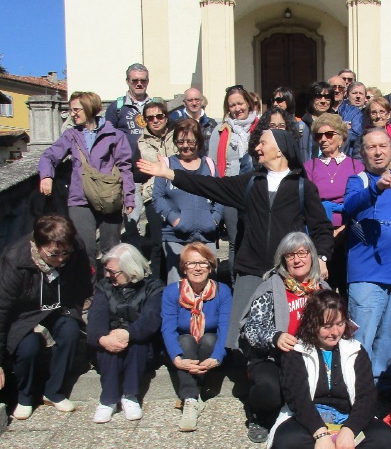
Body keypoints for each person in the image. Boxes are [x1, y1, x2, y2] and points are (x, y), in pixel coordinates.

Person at [137, 128, 333, 356]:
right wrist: (171, 174)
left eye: (263, 143)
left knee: (284, 329)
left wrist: (321, 257)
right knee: (246, 331)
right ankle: (252, 373)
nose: (257, 148)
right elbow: (209, 185)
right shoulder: (250, 183)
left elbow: (321, 228)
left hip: (287, 272)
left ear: (279, 150)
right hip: (251, 268)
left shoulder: (302, 187)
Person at [269, 290, 391, 449]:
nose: (334, 332)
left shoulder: (355, 350)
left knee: (385, 439)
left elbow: (367, 397)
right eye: (327, 326)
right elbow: (298, 399)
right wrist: (321, 435)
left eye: (339, 324)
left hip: (347, 417)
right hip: (310, 419)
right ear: (313, 323)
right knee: (286, 442)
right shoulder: (296, 352)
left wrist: (349, 430)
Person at [0, 215, 92, 420]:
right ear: (38, 246)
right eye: (54, 254)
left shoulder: (75, 247)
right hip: (22, 312)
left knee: (70, 332)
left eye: (65, 253)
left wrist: (73, 308)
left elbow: (83, 280)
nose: (61, 259)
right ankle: (25, 395)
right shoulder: (15, 259)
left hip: (59, 304)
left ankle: (54, 391)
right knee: (28, 347)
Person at [344, 129, 391, 394]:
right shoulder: (359, 180)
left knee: (390, 336)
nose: (378, 152)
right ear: (363, 153)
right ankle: (357, 389)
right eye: (371, 147)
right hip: (367, 273)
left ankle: (383, 387)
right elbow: (350, 206)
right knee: (362, 336)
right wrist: (376, 188)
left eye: (383, 146)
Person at [240, 233, 329, 442]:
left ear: (312, 256)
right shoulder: (270, 288)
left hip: (310, 358)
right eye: (290, 255)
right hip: (272, 358)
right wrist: (275, 336)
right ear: (283, 260)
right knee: (269, 390)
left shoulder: (323, 290)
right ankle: (259, 416)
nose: (297, 260)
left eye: (302, 253)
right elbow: (251, 328)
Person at [38, 91, 135, 279]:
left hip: (109, 197)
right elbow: (49, 156)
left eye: (76, 109)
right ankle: (87, 292)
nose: (72, 114)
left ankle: (111, 289)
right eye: (71, 110)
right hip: (80, 198)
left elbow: (125, 168)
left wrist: (129, 196)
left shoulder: (114, 135)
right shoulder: (71, 135)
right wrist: (46, 176)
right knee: (83, 248)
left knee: (111, 249)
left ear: (90, 109)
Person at [87, 244, 165, 423]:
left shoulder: (154, 286)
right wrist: (103, 338)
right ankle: (108, 400)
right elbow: (96, 316)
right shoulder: (104, 287)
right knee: (109, 344)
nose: (107, 275)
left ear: (130, 269)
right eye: (106, 270)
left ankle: (130, 396)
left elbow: (151, 319)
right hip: (111, 340)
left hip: (143, 345)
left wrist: (128, 333)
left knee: (137, 341)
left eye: (113, 271)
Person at [161, 242, 232, 431]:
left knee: (209, 338)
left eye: (203, 263)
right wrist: (176, 359)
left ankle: (196, 388)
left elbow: (225, 327)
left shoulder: (222, 291)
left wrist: (217, 357)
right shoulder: (171, 292)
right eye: (191, 263)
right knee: (185, 340)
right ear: (184, 268)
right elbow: (168, 328)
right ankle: (191, 399)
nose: (198, 268)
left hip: (210, 348)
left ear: (211, 267)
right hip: (184, 349)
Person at [152, 119, 223, 283]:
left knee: (209, 283)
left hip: (206, 235)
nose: (185, 146)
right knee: (177, 285)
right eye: (180, 141)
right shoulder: (167, 165)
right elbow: (158, 197)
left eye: (190, 141)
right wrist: (175, 220)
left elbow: (220, 195)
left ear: (198, 140)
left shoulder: (209, 165)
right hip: (176, 237)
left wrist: (214, 219)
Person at [304, 113, 364, 294]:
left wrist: (343, 229)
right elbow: (307, 203)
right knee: (321, 289)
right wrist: (326, 232)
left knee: (347, 288)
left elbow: (360, 203)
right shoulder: (310, 166)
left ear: (341, 138)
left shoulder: (356, 166)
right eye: (318, 135)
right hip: (319, 234)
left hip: (349, 233)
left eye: (329, 134)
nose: (323, 139)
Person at [207, 85, 258, 275]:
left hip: (257, 190)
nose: (237, 109)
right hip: (230, 191)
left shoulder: (261, 128)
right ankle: (237, 285)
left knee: (256, 237)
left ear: (249, 103)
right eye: (232, 105)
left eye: (240, 103)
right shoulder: (220, 132)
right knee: (235, 239)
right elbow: (212, 164)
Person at [104, 63, 151, 248]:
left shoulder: (155, 105)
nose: (139, 84)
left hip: (152, 171)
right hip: (128, 172)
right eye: (135, 80)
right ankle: (134, 261)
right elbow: (107, 138)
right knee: (132, 219)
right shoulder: (117, 107)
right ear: (128, 82)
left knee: (157, 219)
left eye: (143, 80)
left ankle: (155, 263)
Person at [137, 100, 176, 281]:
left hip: (177, 191)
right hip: (152, 194)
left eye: (159, 116)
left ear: (166, 118)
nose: (155, 120)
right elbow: (146, 167)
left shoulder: (178, 134)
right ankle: (157, 285)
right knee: (157, 242)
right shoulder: (141, 142)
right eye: (150, 118)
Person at [168, 87, 218, 152]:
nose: (194, 103)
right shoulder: (175, 122)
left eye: (197, 99)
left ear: (201, 101)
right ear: (184, 102)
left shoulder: (211, 124)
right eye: (190, 100)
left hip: (205, 161)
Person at [299, 81, 335, 162]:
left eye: (327, 97)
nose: (323, 101)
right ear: (311, 100)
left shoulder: (338, 125)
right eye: (318, 96)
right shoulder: (301, 126)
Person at [330, 75, 364, 158]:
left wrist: (330, 133)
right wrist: (343, 128)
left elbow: (357, 134)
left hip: (348, 157)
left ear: (345, 92)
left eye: (340, 88)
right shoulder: (323, 110)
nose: (337, 91)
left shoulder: (354, 111)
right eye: (333, 87)